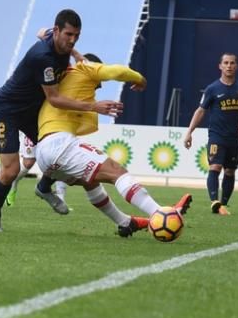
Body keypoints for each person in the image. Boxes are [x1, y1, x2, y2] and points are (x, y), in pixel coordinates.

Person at [0, 9, 121, 232]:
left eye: (76, 35)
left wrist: (76, 54)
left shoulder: (56, 41)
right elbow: (55, 99)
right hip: (6, 110)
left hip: (31, 111)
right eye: (68, 35)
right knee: (11, 171)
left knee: (57, 149)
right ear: (57, 31)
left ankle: (44, 187)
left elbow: (41, 31)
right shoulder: (43, 58)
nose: (72, 39)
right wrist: (94, 106)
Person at [33, 52, 191, 235]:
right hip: (60, 144)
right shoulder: (85, 69)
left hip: (44, 155)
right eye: (98, 83)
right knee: (117, 172)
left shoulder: (65, 78)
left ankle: (125, 222)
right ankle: (162, 214)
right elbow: (118, 71)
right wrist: (140, 79)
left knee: (89, 181)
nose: (98, 87)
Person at [183, 53, 238, 216]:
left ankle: (223, 204)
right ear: (220, 66)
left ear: (237, 66)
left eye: (232, 63)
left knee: (230, 171)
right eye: (226, 63)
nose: (229, 66)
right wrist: (189, 132)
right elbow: (200, 111)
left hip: (235, 137)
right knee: (215, 166)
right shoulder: (212, 89)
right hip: (217, 136)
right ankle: (214, 200)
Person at [5, 131, 66, 207]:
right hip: (34, 127)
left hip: (52, 127)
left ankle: (61, 197)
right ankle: (13, 181)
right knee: (28, 162)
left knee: (59, 159)